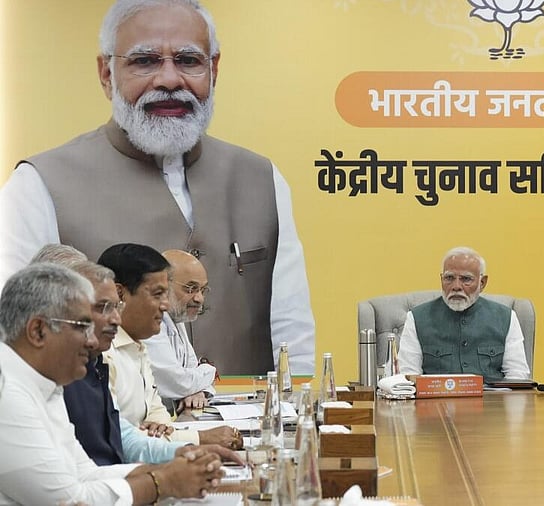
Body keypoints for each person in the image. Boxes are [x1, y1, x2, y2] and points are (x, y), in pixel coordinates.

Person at [0, 0, 315, 375]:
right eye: (144, 61)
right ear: (106, 74)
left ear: (213, 70)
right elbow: (16, 336)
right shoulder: (39, 184)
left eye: (188, 60)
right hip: (109, 428)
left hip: (248, 429)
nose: (168, 80)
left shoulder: (262, 178)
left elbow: (291, 335)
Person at [0, 263, 224, 505]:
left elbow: (84, 473)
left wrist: (174, 467)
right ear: (38, 331)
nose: (91, 340)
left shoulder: (46, 385)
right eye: (82, 327)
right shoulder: (7, 393)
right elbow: (71, 501)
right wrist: (162, 482)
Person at [98, 243, 236, 448]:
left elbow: (157, 417)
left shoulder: (138, 345)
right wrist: (202, 439)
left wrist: (165, 433)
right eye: (157, 294)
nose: (165, 304)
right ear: (120, 294)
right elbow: (121, 439)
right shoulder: (101, 354)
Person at [397, 246, 530, 380]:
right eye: (449, 278)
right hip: (437, 400)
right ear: (441, 279)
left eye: (466, 279)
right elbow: (409, 376)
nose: (456, 286)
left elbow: (517, 376)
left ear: (482, 283)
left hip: (491, 400)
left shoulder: (506, 318)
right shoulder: (417, 318)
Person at [145, 249, 216, 412]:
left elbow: (190, 373)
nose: (200, 299)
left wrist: (201, 392)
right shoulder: (149, 320)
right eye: (190, 289)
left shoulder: (176, 317)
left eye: (203, 290)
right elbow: (177, 382)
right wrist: (210, 371)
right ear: (163, 285)